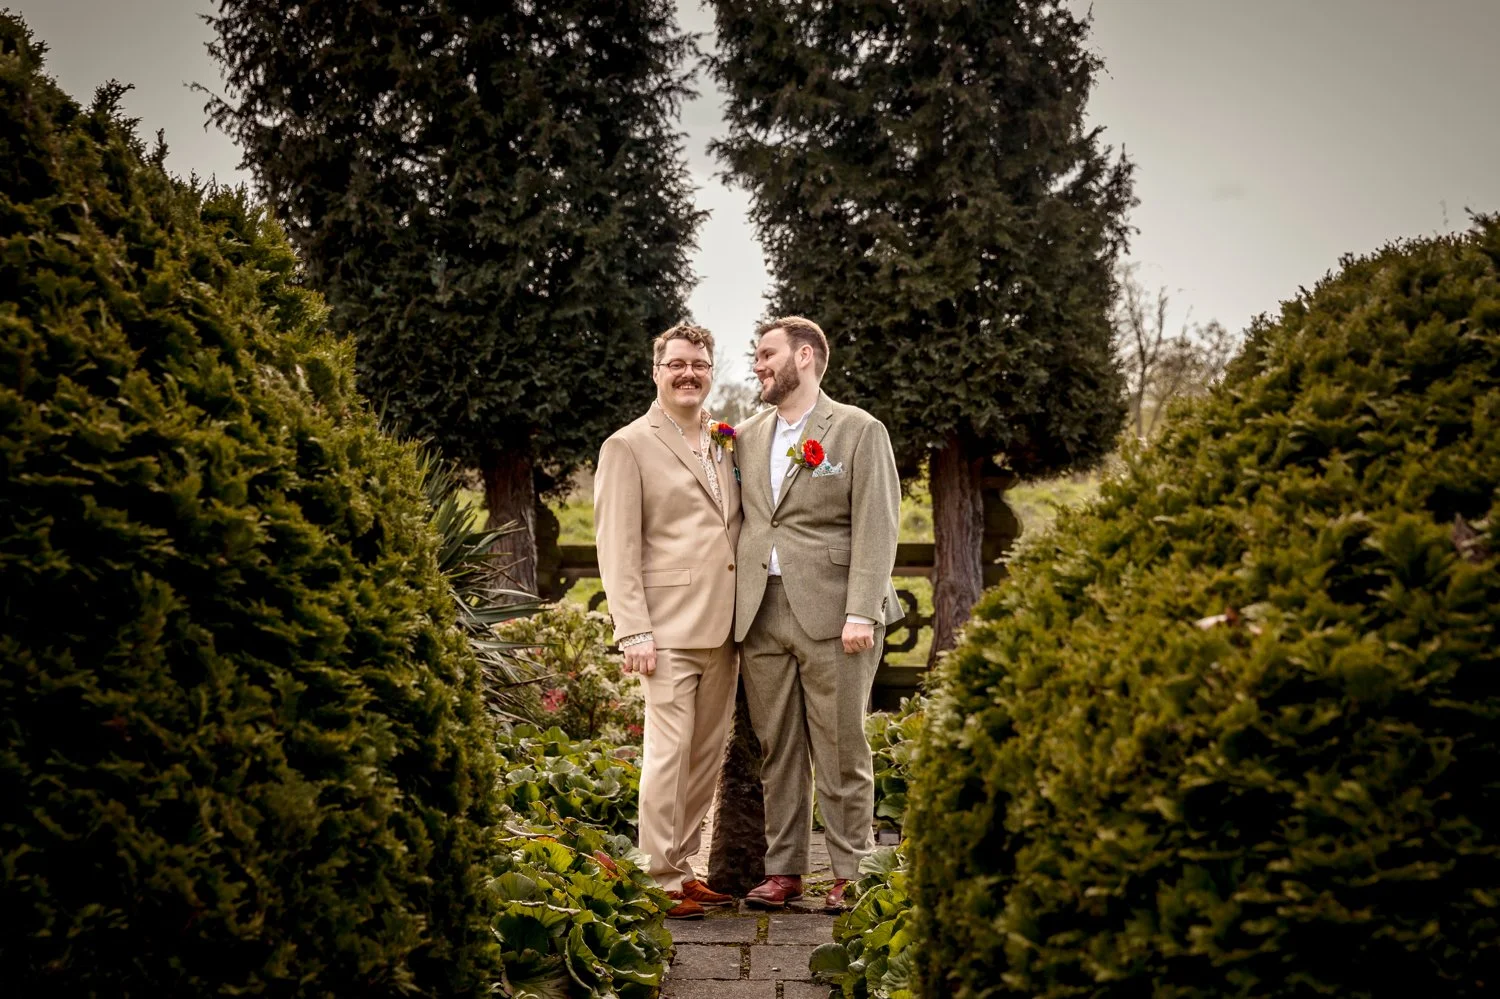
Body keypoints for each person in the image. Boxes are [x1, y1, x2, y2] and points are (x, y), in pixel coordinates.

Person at [733, 316, 903, 912]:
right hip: (760, 612)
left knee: (841, 744)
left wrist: (862, 610)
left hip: (837, 614)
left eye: (766, 354)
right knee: (777, 747)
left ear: (803, 357)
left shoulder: (858, 430)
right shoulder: (748, 436)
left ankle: (852, 871)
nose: (757, 365)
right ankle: (784, 870)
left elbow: (879, 527)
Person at [594, 323, 743, 920]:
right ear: (656, 371)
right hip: (667, 630)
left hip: (726, 628)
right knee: (666, 756)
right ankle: (655, 879)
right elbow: (616, 546)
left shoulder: (723, 441)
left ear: (710, 372)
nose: (689, 373)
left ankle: (684, 869)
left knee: (705, 758)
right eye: (677, 364)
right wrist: (633, 630)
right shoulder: (627, 445)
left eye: (700, 364)